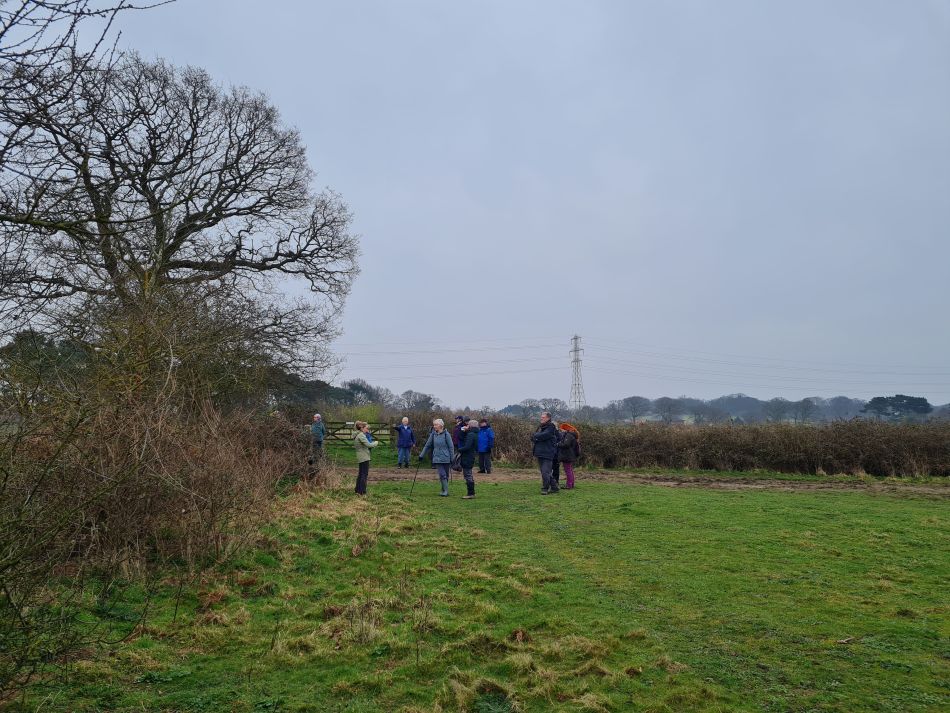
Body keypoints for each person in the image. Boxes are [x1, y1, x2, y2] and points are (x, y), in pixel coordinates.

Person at [418, 418, 455, 496]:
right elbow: (427, 445)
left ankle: (443, 490)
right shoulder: (433, 434)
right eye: (434, 425)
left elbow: (451, 447)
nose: (434, 426)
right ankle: (446, 491)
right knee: (442, 474)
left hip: (446, 457)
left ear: (441, 425)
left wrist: (452, 458)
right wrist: (421, 455)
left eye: (436, 425)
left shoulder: (446, 435)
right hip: (437, 457)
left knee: (446, 475)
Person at [531, 411, 559, 494]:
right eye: (541, 417)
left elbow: (544, 435)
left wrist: (536, 436)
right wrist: (537, 437)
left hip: (548, 453)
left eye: (543, 417)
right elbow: (532, 436)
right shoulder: (540, 427)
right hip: (539, 452)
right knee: (545, 472)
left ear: (548, 418)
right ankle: (554, 487)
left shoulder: (551, 427)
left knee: (545, 472)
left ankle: (545, 488)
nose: (541, 418)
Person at [352, 421, 378, 496]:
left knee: (360, 474)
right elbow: (369, 445)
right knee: (364, 474)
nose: (367, 430)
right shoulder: (361, 435)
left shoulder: (357, 434)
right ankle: (362, 492)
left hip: (361, 457)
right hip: (364, 457)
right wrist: (376, 443)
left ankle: (357, 490)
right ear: (361, 428)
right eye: (366, 428)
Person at [457, 419, 479, 499]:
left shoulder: (471, 435)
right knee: (468, 474)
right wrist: (463, 430)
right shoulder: (474, 433)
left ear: (470, 426)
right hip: (471, 456)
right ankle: (471, 493)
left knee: (468, 475)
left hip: (467, 456)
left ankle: (471, 494)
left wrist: (459, 449)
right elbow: (460, 437)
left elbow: (467, 446)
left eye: (468, 425)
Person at [558, 423, 581, 489]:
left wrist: (558, 444)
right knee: (570, 469)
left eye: (562, 429)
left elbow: (566, 444)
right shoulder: (573, 435)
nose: (561, 431)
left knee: (568, 470)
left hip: (567, 455)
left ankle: (569, 485)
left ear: (565, 429)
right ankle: (571, 484)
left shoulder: (568, 435)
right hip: (570, 455)